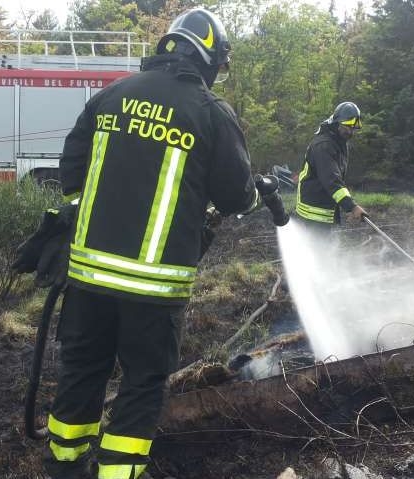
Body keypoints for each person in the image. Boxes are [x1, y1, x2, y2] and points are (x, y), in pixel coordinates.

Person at [45, 7, 259, 479]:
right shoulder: (209, 112)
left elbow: (71, 160)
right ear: (208, 58)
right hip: (154, 289)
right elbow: (237, 195)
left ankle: (64, 465)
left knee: (82, 372)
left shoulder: (113, 95)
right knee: (142, 384)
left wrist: (85, 212)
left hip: (87, 279)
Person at [295, 101, 368, 237]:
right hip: (313, 207)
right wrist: (351, 206)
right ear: (337, 123)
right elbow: (332, 180)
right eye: (347, 127)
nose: (350, 132)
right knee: (318, 248)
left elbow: (336, 177)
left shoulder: (338, 141)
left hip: (323, 202)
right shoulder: (324, 145)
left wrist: (347, 204)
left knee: (322, 246)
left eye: (353, 128)